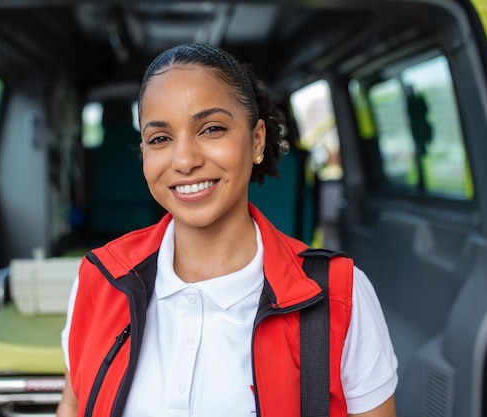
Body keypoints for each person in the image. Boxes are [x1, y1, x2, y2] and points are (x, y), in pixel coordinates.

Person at [57, 43, 398, 417]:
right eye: (160, 138)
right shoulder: (100, 278)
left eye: (212, 129)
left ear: (256, 140)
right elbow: (73, 406)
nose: (184, 160)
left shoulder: (339, 295)